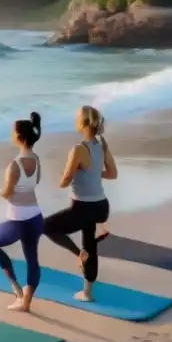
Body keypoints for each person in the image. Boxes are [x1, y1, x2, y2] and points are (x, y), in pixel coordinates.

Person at [43, 105, 118, 302]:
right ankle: (86, 292)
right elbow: (112, 173)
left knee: (47, 226)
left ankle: (79, 253)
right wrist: (92, 174)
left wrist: (64, 177)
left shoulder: (78, 149)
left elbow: (65, 180)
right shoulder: (102, 145)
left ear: (83, 123)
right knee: (90, 243)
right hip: (101, 207)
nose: (74, 119)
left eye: (76, 117)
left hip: (83, 208)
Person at [0, 111, 45, 312]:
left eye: (12, 132)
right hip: (35, 216)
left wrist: (0, 191)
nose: (10, 135)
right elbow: (35, 182)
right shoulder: (36, 159)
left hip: (18, 220)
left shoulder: (15, 164)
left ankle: (16, 289)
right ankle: (25, 302)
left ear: (19, 137)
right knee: (32, 259)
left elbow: (7, 192)